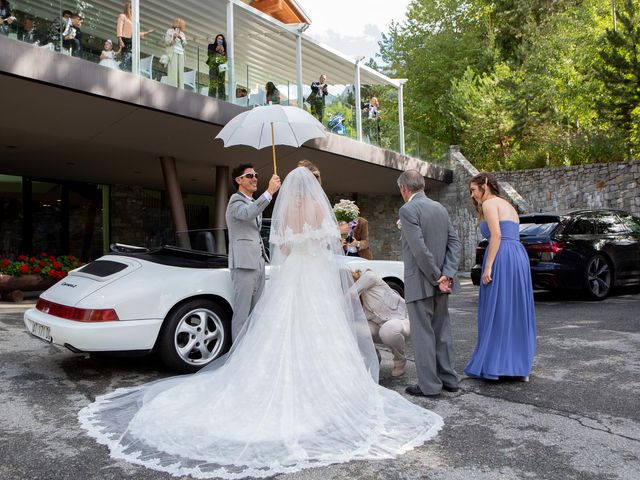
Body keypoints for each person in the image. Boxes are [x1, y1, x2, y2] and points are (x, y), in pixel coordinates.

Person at [78, 166, 443, 479]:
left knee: (280, 327)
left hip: (293, 278)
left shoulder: (285, 212)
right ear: (314, 186)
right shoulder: (315, 208)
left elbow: (282, 249)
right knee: (319, 329)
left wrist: (290, 230)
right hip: (314, 277)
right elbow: (332, 246)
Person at [464, 172, 536, 381]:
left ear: (484, 185)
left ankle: (496, 364)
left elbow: (496, 236)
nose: (472, 195)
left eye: (473, 190)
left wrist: (488, 267)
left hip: (502, 256)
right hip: (517, 255)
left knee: (498, 309)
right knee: (515, 309)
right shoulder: (507, 204)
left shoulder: (489, 204)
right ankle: (519, 367)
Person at [397, 169, 462, 397]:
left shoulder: (408, 209)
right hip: (442, 283)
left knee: (423, 335)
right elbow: (455, 244)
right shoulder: (440, 208)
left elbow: (419, 250)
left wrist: (437, 278)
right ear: (422, 185)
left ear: (404, 189)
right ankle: (449, 379)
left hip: (422, 281)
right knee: (442, 331)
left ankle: (430, 386)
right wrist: (448, 274)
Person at [225, 163, 280, 341]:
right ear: (239, 180)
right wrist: (269, 192)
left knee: (257, 312)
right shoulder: (236, 200)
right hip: (243, 263)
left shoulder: (252, 202)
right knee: (242, 314)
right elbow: (247, 213)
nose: (255, 178)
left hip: (258, 262)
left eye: (256, 174)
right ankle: (237, 357)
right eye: (250, 175)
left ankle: (252, 352)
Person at [352, 269, 411, 376]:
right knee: (354, 328)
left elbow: (350, 293)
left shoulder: (369, 277)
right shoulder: (355, 301)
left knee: (388, 330)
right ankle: (373, 356)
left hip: (400, 321)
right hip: (377, 326)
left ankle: (400, 359)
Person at [117, 2, 155, 72]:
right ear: (127, 8)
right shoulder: (122, 16)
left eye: (132, 8)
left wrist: (148, 32)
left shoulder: (132, 20)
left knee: (130, 59)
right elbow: (119, 28)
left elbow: (136, 33)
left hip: (131, 41)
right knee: (126, 58)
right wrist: (120, 40)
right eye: (131, 8)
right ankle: (122, 72)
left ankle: (128, 75)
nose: (132, 10)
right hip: (124, 40)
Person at [163, 18, 187, 88]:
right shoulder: (169, 31)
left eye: (178, 23)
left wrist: (181, 39)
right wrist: (173, 37)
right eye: (176, 22)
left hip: (181, 53)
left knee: (180, 72)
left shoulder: (182, 33)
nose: (176, 23)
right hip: (172, 52)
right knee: (173, 70)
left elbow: (185, 44)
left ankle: (180, 88)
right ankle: (172, 87)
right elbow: (167, 42)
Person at [206, 34, 227, 99]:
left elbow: (226, 59)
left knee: (221, 84)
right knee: (213, 83)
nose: (220, 40)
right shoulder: (211, 46)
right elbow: (209, 54)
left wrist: (223, 52)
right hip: (213, 67)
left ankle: (222, 100)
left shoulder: (225, 49)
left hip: (221, 67)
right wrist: (216, 49)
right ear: (216, 39)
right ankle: (211, 98)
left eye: (221, 39)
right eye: (218, 38)